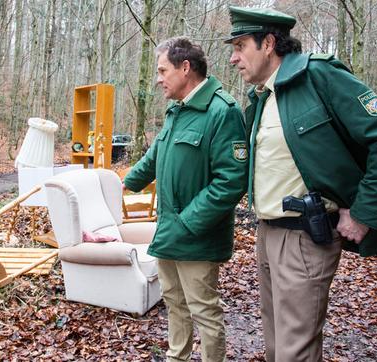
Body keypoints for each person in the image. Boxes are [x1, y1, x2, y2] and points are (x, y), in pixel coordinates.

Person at [225, 6, 377, 361]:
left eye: (240, 46)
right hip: (267, 234)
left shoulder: (319, 77)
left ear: (268, 43)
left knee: (294, 352)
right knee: (275, 346)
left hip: (303, 237)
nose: (234, 58)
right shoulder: (263, 97)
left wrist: (363, 212)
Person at [123, 37, 248, 361]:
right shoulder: (175, 111)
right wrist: (124, 181)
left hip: (197, 236)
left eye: (163, 70)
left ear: (186, 67)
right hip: (168, 231)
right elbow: (155, 156)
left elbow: (232, 180)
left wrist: (188, 222)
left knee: (203, 311)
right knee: (174, 304)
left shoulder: (222, 111)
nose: (158, 78)